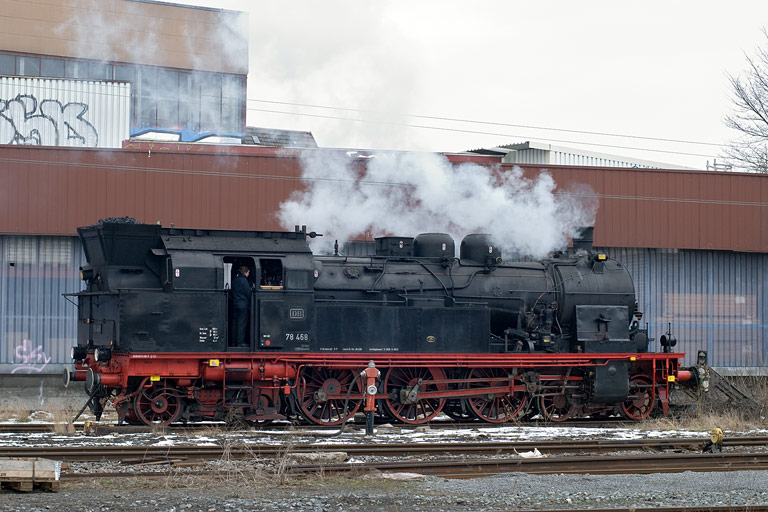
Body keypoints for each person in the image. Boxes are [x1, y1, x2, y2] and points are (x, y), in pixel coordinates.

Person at [232, 265, 251, 347]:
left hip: (235, 304)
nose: (249, 274)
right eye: (248, 272)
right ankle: (240, 342)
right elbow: (248, 293)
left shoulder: (235, 280)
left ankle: (233, 342)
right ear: (245, 272)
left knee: (235, 324)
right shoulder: (244, 280)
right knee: (241, 324)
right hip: (243, 305)